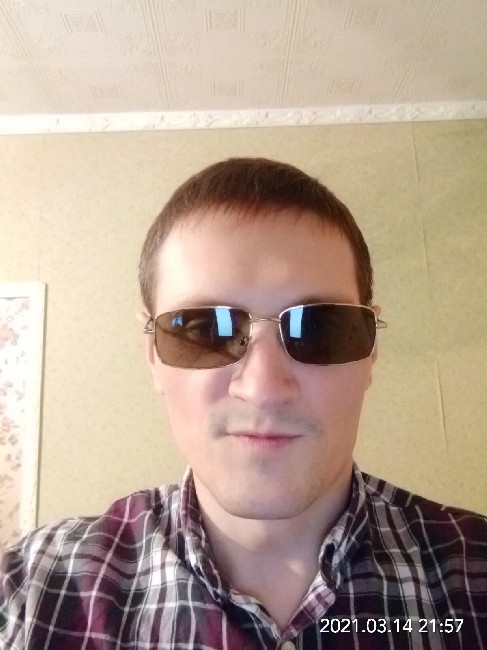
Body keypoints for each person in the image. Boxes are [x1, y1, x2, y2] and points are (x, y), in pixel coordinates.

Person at [1, 158, 486, 650]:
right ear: (152, 355)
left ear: (371, 349)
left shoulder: (476, 575)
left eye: (318, 327)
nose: (263, 388)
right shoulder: (29, 596)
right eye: (204, 330)